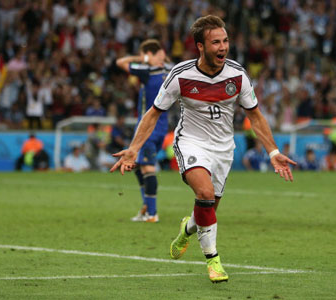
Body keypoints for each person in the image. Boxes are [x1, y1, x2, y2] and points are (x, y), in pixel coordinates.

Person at [110, 15, 296, 283]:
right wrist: (133, 148)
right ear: (200, 46)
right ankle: (214, 262)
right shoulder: (180, 75)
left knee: (207, 208)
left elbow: (255, 115)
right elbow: (153, 113)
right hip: (190, 142)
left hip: (223, 148)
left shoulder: (237, 75)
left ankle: (187, 229)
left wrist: (273, 152)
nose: (223, 47)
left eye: (225, 41)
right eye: (216, 42)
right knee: (205, 194)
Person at [116, 39, 172, 222]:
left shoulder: (147, 71)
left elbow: (120, 62)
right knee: (137, 165)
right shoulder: (170, 71)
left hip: (147, 127)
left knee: (147, 168)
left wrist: (141, 58)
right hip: (162, 126)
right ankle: (147, 206)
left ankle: (152, 213)